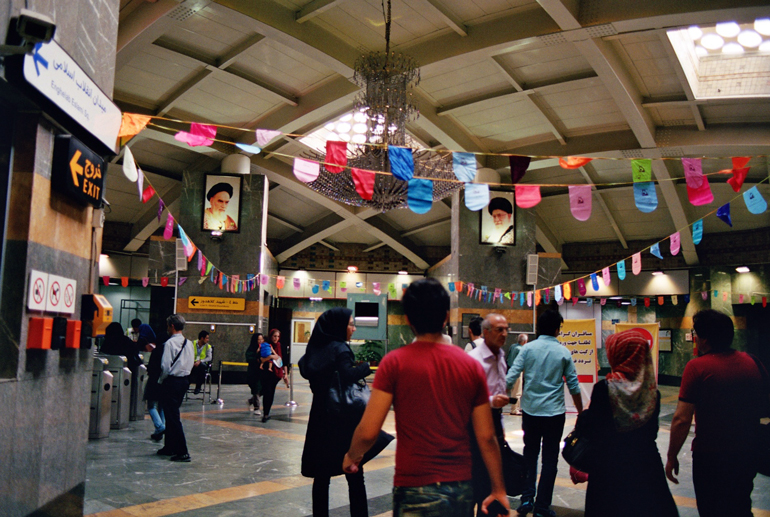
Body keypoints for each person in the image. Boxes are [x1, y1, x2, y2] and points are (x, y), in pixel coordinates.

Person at [343, 278, 509, 516]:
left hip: (413, 485)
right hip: (460, 484)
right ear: (445, 317)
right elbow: (486, 436)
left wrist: (352, 456)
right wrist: (498, 488)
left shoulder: (394, 363)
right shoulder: (469, 366)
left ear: (408, 319)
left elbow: (369, 430)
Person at [666, 309, 770, 517]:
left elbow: (681, 419)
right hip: (746, 452)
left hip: (710, 455)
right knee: (741, 505)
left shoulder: (696, 367)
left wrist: (671, 456)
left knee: (711, 508)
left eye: (696, 334)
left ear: (704, 338)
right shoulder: (752, 361)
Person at [579, 329, 678, 517]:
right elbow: (652, 433)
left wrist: (587, 409)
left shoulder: (604, 389)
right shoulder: (652, 393)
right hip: (646, 468)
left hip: (609, 470)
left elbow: (589, 429)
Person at [505, 309, 583, 517]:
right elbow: (574, 386)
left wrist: (500, 397)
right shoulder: (564, 352)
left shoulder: (527, 349)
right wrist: (581, 411)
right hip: (554, 414)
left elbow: (511, 376)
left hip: (530, 413)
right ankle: (542, 505)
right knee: (550, 459)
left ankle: (527, 499)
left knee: (530, 455)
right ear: (557, 329)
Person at [299, 308, 374, 517]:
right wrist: (366, 367)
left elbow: (306, 368)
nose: (353, 328)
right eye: (350, 324)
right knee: (354, 471)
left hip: (320, 417)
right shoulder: (340, 349)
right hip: (341, 418)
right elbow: (348, 374)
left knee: (321, 476)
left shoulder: (316, 347)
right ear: (340, 326)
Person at [468, 313, 512, 516]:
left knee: (492, 481)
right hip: (474, 425)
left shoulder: (501, 356)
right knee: (476, 482)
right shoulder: (474, 360)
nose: (504, 334)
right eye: (499, 330)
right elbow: (464, 397)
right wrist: (492, 400)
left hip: (495, 421)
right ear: (485, 333)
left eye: (506, 329)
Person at [157, 314, 194, 462]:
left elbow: (165, 366)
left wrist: (161, 380)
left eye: (168, 325)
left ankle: (182, 451)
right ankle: (169, 447)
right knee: (172, 414)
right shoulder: (189, 343)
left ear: (172, 326)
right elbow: (191, 362)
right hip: (184, 381)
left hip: (171, 382)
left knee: (172, 417)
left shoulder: (169, 344)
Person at [140, 325, 165, 441]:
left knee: (151, 405)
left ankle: (160, 426)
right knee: (162, 406)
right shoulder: (168, 351)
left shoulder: (156, 351)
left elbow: (150, 368)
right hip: (164, 381)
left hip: (154, 381)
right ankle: (159, 431)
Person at [259, 329, 289, 423]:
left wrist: (285, 374)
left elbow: (284, 361)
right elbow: (261, 359)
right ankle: (265, 414)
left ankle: (266, 412)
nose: (276, 338)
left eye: (278, 336)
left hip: (276, 374)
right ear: (271, 336)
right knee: (267, 392)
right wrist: (271, 357)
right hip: (267, 372)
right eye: (274, 336)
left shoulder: (281, 347)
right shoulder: (266, 346)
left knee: (271, 393)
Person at [508, 333, 528, 415]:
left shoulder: (512, 346)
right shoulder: (522, 349)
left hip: (510, 370)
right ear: (525, 341)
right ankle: (514, 409)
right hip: (518, 372)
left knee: (514, 390)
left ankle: (517, 407)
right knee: (517, 392)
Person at [245, 333, 264, 415]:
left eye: (261, 339)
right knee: (256, 389)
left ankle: (251, 401)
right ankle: (257, 407)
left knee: (262, 389)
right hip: (253, 372)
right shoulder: (251, 349)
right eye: (258, 340)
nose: (260, 341)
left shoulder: (264, 348)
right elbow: (249, 358)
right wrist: (256, 354)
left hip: (262, 372)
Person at [190, 331, 212, 395]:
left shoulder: (208, 347)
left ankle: (198, 387)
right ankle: (187, 384)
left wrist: (200, 361)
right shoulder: (192, 344)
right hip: (192, 363)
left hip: (202, 364)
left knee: (202, 367)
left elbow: (209, 358)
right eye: (207, 338)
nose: (208, 340)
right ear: (202, 338)